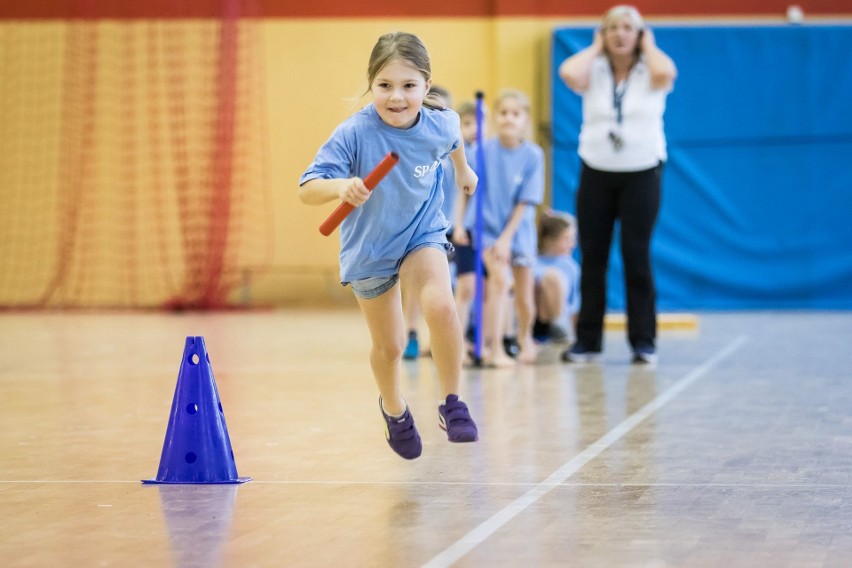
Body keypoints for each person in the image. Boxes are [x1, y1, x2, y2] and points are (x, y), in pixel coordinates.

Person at [299, 32, 479, 459]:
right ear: (371, 85)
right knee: (391, 346)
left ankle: (452, 403)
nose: (396, 97)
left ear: (426, 86)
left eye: (408, 86)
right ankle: (394, 408)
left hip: (421, 232)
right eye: (385, 86)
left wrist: (464, 172)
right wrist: (341, 186)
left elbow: (453, 144)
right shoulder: (355, 132)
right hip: (371, 247)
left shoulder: (443, 121)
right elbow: (307, 189)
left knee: (440, 305)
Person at [558, 5, 676, 364]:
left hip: (642, 172)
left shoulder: (650, 69)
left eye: (628, 28)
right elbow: (567, 72)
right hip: (597, 170)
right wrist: (596, 47)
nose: (620, 34)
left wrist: (648, 44)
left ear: (640, 34)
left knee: (635, 256)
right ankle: (587, 342)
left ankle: (643, 341)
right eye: (612, 28)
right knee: (593, 256)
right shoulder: (592, 68)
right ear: (602, 34)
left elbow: (666, 71)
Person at [457, 89, 545, 366]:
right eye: (503, 113)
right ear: (495, 117)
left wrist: (507, 239)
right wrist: (459, 223)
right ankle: (494, 349)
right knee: (499, 280)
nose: (509, 119)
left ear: (526, 120)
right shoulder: (482, 150)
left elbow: (525, 202)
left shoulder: (533, 155)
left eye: (515, 114)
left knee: (524, 297)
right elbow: (465, 189)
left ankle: (524, 337)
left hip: (518, 233)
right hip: (487, 231)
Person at [402, 84, 454, 360]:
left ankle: (442, 338)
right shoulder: (414, 151)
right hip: (420, 229)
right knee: (413, 284)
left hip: (450, 229)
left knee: (444, 289)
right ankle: (410, 332)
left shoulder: (457, 153)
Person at [533, 211, 581, 344]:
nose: (572, 244)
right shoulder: (532, 262)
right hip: (534, 319)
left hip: (556, 320)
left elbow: (574, 304)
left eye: (573, 239)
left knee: (553, 277)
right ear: (549, 240)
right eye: (566, 239)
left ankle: (558, 327)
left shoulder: (571, 266)